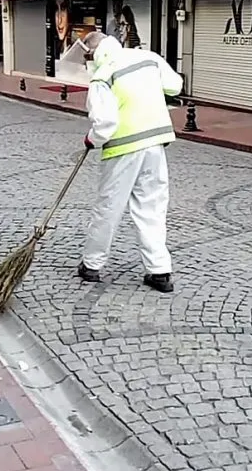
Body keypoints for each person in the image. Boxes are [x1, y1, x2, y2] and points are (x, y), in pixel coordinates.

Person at [76, 31, 183, 293]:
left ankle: (92, 265)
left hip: (123, 149)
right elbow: (175, 86)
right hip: (155, 145)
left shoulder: (103, 75)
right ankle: (159, 271)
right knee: (152, 208)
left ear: (93, 53)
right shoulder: (148, 58)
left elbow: (105, 123)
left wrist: (92, 139)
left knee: (109, 207)